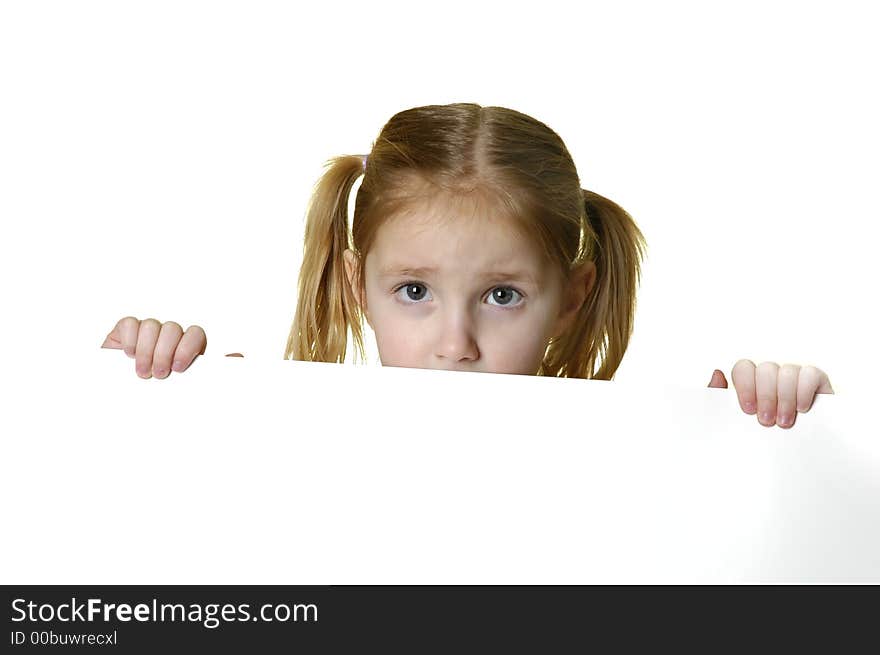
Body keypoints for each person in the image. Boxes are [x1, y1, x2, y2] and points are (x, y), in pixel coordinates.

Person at [101, 102, 833, 429]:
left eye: (504, 295)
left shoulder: (639, 454)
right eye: (414, 290)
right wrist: (155, 386)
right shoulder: (278, 434)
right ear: (359, 286)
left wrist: (779, 426)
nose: (457, 344)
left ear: (574, 296)